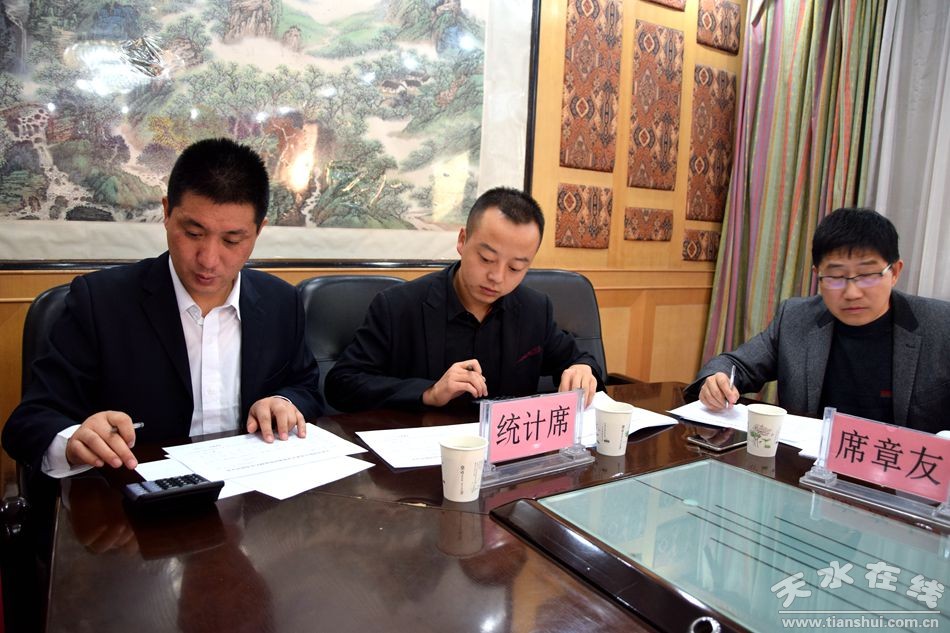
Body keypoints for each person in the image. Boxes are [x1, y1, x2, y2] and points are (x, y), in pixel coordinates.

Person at [2, 138, 324, 479]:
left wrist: (284, 403)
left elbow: (304, 388)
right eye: (193, 232)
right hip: (139, 497)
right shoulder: (100, 301)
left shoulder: (281, 302)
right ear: (167, 213)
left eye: (232, 240)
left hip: (255, 493)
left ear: (259, 231)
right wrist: (73, 440)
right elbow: (30, 422)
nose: (208, 260)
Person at [325, 187, 604, 413]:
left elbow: (580, 359)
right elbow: (341, 385)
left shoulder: (534, 309)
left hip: (505, 455)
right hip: (426, 452)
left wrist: (582, 369)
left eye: (515, 268)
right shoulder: (398, 306)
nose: (497, 277)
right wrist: (429, 392)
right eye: (486, 258)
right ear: (462, 240)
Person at [687, 207, 950, 434]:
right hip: (809, 467)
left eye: (867, 275)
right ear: (818, 276)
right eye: (835, 277)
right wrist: (717, 380)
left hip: (902, 470)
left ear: (895, 272)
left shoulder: (941, 325)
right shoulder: (796, 318)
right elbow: (736, 364)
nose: (852, 292)